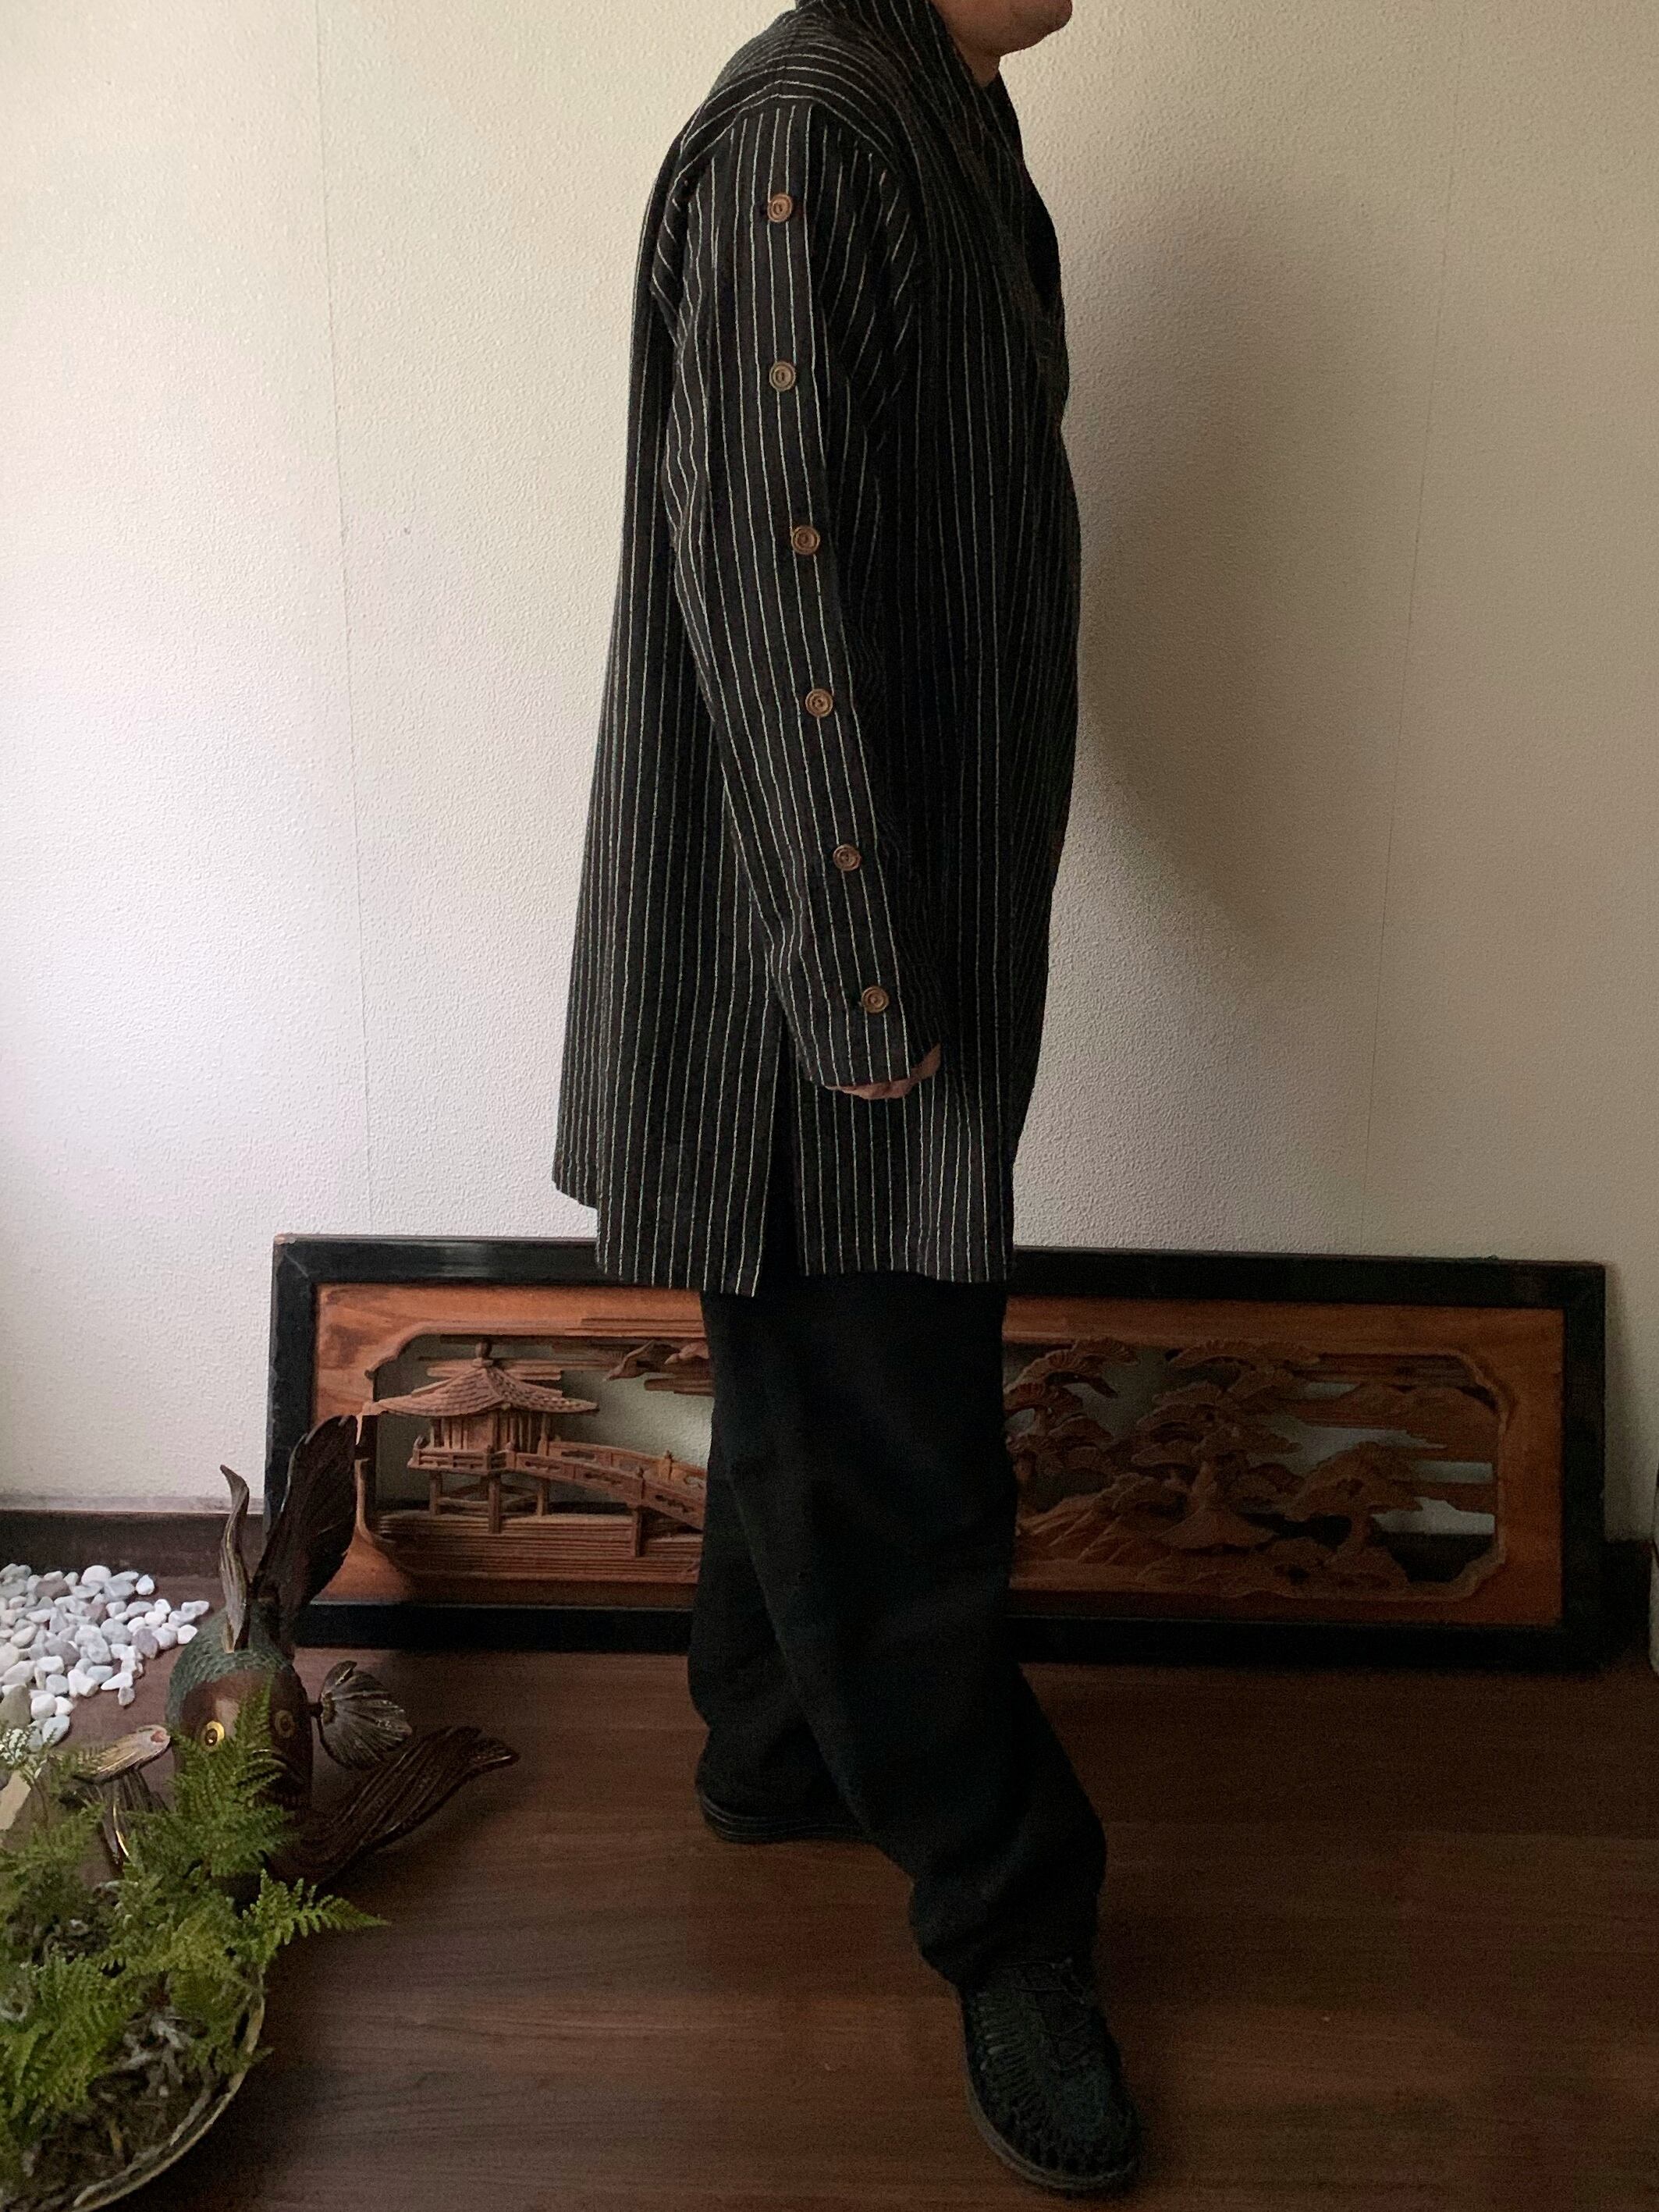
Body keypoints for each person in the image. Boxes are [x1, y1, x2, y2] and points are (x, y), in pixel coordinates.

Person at [552, 0, 1142, 2191]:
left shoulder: (950, 114)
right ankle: (1014, 1911)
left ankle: (770, 1748)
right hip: (815, 964)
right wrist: (858, 983)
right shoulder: (808, 134)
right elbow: (767, 585)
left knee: (821, 1376)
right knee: (900, 1461)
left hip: (897, 928)